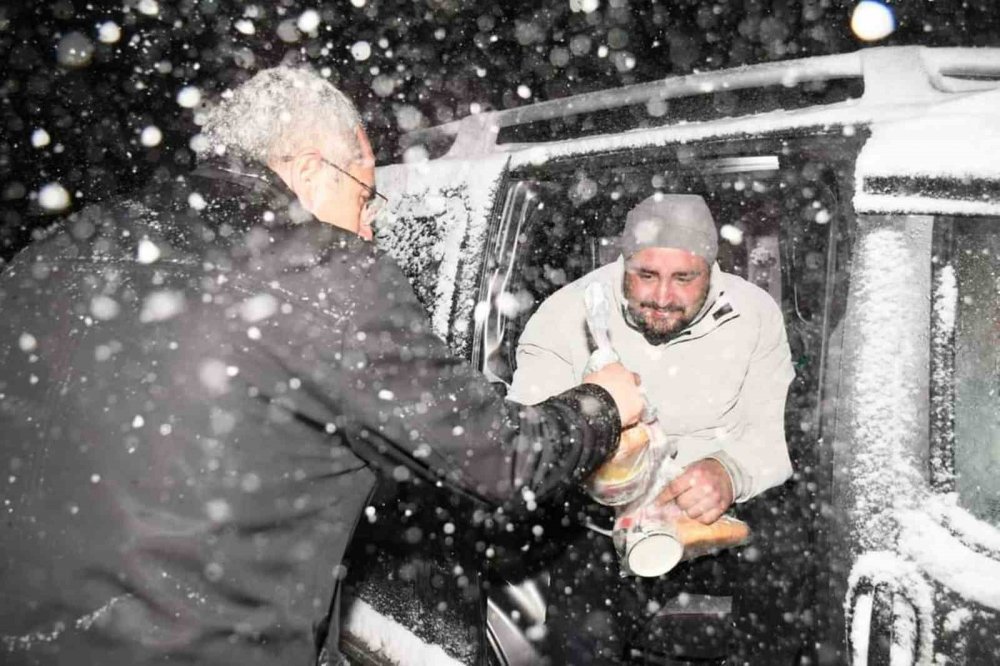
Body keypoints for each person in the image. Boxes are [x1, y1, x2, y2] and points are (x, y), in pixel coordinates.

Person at [0, 67, 644, 666]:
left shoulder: (55, 249)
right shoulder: (319, 273)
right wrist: (603, 403)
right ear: (312, 167)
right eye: (367, 197)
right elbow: (504, 460)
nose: (368, 229)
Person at [507, 193, 795, 662]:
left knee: (787, 597)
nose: (662, 297)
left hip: (714, 521)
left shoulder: (755, 315)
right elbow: (528, 440)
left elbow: (772, 432)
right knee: (580, 643)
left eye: (684, 278)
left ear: (711, 268)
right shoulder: (566, 315)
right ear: (623, 263)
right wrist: (601, 466)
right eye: (645, 275)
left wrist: (727, 472)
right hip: (602, 529)